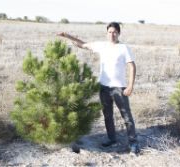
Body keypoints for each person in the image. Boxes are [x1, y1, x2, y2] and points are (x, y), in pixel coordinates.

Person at [57, 22, 140, 154]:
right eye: (109, 32)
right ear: (106, 33)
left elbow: (132, 66)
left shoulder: (124, 48)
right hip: (104, 87)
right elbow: (83, 45)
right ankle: (112, 139)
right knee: (107, 116)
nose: (112, 34)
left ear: (118, 33)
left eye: (114, 32)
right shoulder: (101, 46)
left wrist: (130, 86)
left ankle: (133, 143)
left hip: (119, 88)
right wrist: (68, 36)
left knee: (127, 117)